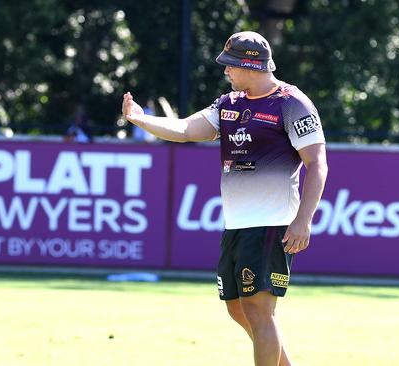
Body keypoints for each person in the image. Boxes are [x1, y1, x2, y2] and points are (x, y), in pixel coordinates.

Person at [122, 31, 328, 366]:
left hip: (271, 224)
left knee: (259, 311)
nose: (226, 71)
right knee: (237, 308)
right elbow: (187, 130)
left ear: (251, 65)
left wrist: (303, 219)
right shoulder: (229, 103)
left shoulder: (292, 103)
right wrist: (141, 119)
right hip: (237, 224)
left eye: (231, 65)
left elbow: (317, 164)